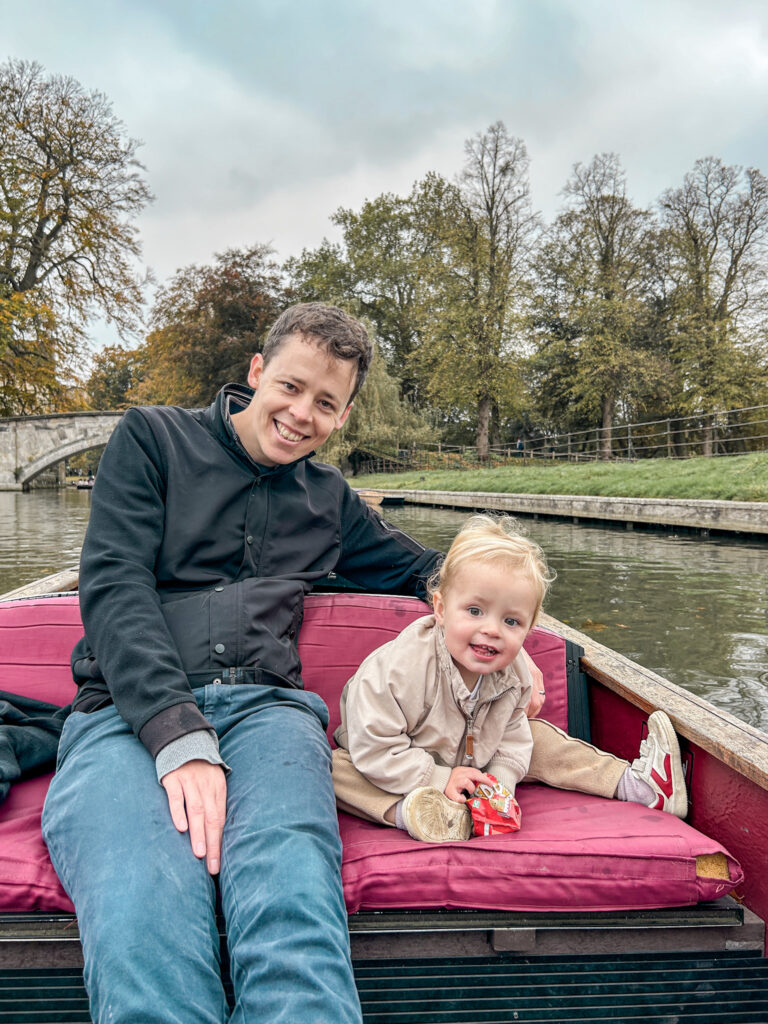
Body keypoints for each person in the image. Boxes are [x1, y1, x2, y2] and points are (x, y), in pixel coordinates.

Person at [41, 303, 446, 1024]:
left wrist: (494, 593)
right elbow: (116, 586)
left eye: (325, 403)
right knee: (143, 912)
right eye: (290, 387)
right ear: (256, 372)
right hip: (124, 716)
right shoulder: (151, 438)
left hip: (269, 716)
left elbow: (425, 570)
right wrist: (178, 734)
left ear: (344, 416)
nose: (300, 414)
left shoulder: (330, 500)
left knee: (294, 914)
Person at [333, 516, 687, 843]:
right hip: (395, 759)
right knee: (333, 768)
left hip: (474, 756)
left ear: (529, 629)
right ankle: (413, 813)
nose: (491, 630)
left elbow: (514, 737)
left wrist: (499, 787)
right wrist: (439, 780)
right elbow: (375, 746)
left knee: (540, 739)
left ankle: (640, 787)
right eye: (474, 611)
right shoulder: (399, 670)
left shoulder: (515, 673)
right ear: (440, 609)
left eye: (512, 622)